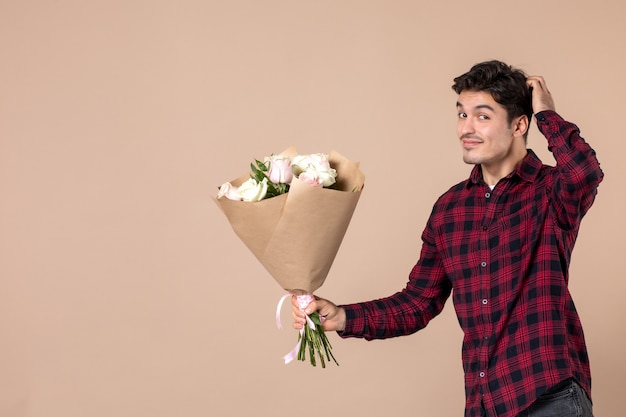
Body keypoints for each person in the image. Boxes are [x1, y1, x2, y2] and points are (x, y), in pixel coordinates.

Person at [292, 60, 603, 417]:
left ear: (519, 124)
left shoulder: (550, 190)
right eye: (461, 114)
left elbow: (585, 172)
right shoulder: (450, 208)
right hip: (483, 402)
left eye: (483, 116)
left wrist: (546, 113)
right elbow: (418, 302)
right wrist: (343, 317)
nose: (466, 128)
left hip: (547, 395)